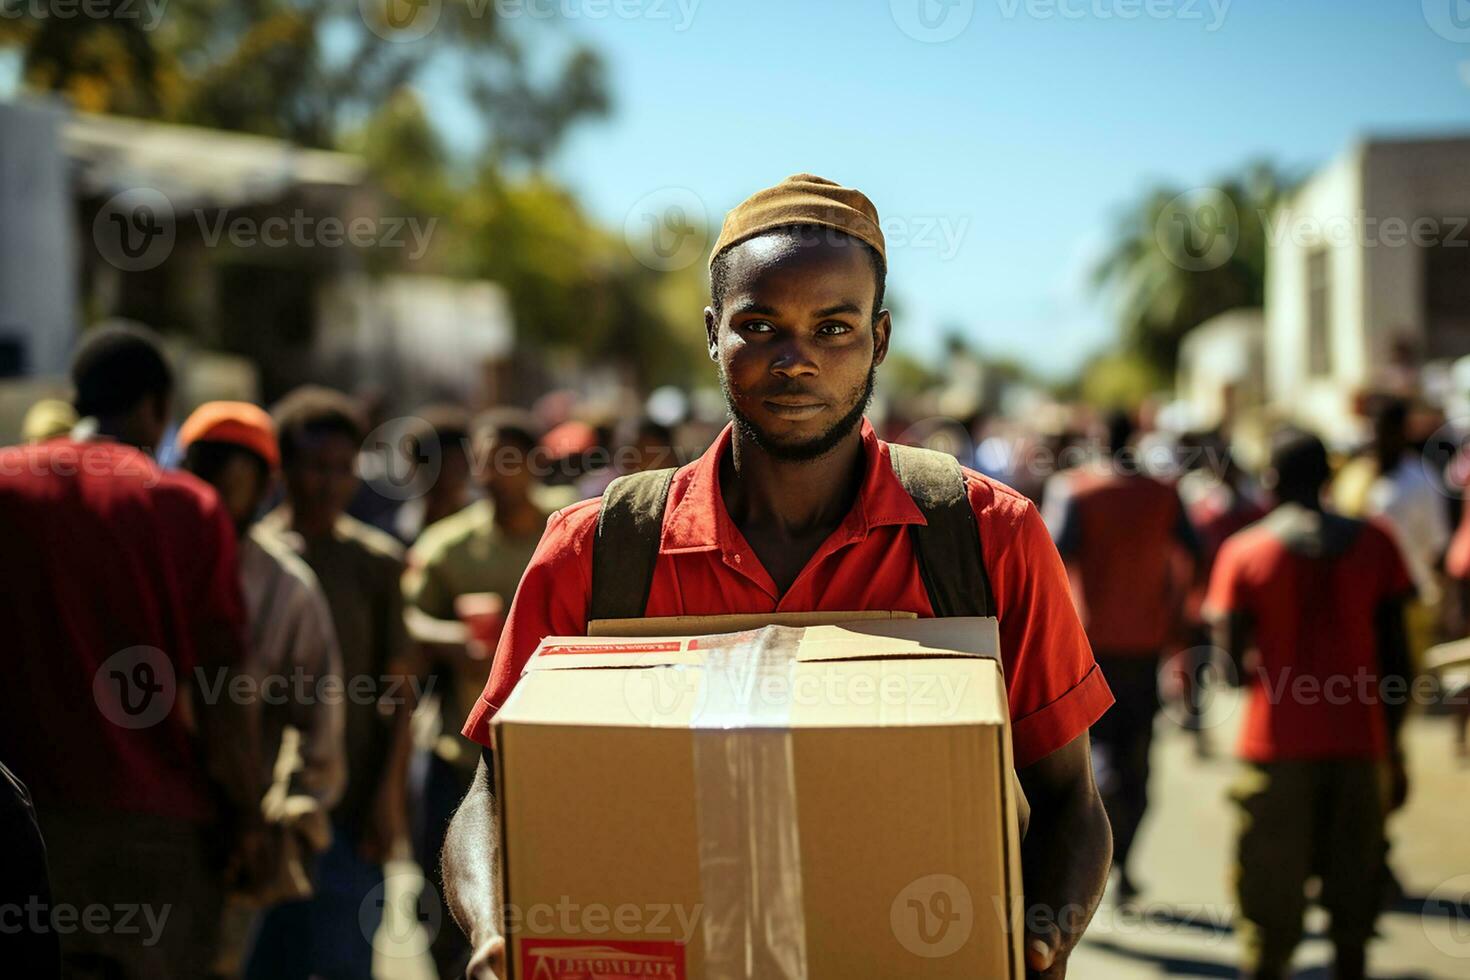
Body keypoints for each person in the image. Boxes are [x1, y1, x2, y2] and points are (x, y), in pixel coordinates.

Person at [442, 174, 1115, 979]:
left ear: (881, 338)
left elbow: (1070, 801)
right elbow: (494, 794)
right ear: (712, 334)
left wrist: (1039, 943)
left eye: (834, 327)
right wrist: (490, 933)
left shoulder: (985, 538)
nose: (795, 360)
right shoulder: (597, 552)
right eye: (759, 326)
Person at [0, 324, 262, 979]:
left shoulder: (6, 488)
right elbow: (222, 688)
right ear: (157, 408)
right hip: (158, 838)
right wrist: (248, 815)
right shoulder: (188, 507)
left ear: (76, 397)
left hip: (22, 828)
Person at [1207, 428, 1415, 980]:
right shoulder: (1377, 542)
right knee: (1355, 899)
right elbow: (1400, 662)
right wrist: (1392, 749)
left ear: (1270, 482)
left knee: (1269, 906)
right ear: (1329, 478)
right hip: (1360, 745)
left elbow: (1226, 669)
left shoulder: (1243, 553)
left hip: (1275, 751)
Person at [247, 386, 413, 980]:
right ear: (283, 469)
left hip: (349, 808)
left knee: (345, 962)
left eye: (343, 469)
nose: (329, 483)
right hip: (259, 809)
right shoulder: (248, 560)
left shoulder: (376, 563)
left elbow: (400, 694)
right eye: (315, 467)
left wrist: (388, 801)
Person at [177, 401, 349, 973]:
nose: (215, 501)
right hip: (152, 825)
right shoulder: (150, 562)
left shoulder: (286, 589)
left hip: (237, 838)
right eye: (204, 476)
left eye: (232, 484)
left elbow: (319, 722)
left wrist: (282, 822)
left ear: (264, 487)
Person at [401, 408, 551, 977]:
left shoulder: (567, 534)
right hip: (458, 756)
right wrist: (454, 640)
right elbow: (407, 622)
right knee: (446, 909)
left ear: (535, 466)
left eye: (510, 458)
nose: (496, 470)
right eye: (487, 457)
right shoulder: (447, 547)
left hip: (545, 755)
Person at [1051, 410, 1199, 901]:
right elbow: (1195, 554)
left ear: (1098, 439)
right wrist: (1174, 609)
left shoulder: (1080, 492)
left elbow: (1054, 560)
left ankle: (1095, 862)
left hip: (1092, 647)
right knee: (1139, 758)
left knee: (1094, 761)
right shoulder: (1164, 494)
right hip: (1146, 643)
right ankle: (1125, 862)